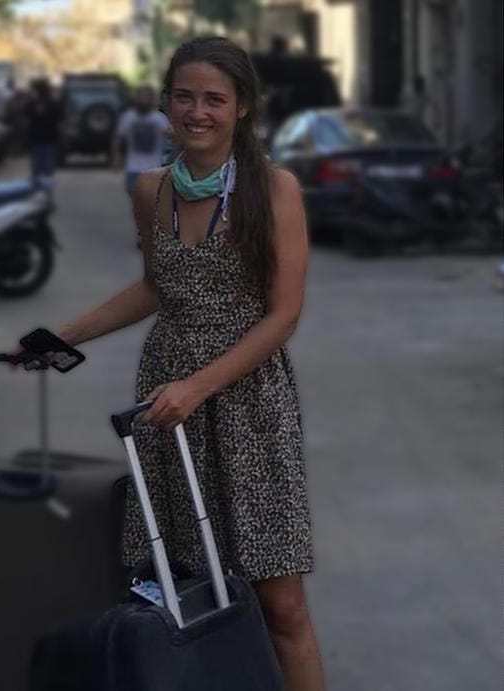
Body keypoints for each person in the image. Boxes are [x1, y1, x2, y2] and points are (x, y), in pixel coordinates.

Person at [22, 36, 324, 689]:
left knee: (281, 604)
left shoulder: (275, 189)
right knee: (183, 588)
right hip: (167, 405)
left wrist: (199, 386)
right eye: (184, 96)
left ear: (242, 107)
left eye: (215, 98)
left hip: (248, 405)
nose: (198, 111)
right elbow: (159, 287)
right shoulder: (150, 189)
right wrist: (57, 336)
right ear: (165, 101)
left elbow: (284, 314)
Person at [113, 84, 173, 197]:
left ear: (151, 100)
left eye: (146, 97)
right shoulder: (128, 117)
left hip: (154, 169)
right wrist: (116, 156)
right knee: (136, 202)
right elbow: (118, 137)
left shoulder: (159, 119)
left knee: (153, 202)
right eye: (140, 97)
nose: (143, 100)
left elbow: (172, 137)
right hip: (133, 169)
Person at [26, 77, 61, 189]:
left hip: (36, 140)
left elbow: (24, 115)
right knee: (48, 171)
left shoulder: (32, 103)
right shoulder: (54, 103)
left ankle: (37, 194)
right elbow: (61, 118)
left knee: (36, 171)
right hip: (50, 140)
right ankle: (46, 196)